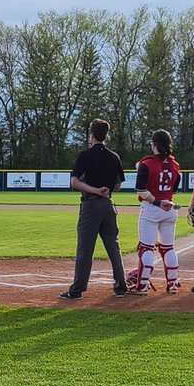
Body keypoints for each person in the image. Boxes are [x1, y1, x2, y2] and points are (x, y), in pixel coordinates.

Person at [61, 119, 129, 300]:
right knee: (113, 246)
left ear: (92, 134)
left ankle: (77, 290)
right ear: (106, 135)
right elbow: (118, 185)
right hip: (108, 205)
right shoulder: (114, 156)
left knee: (85, 248)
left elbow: (75, 182)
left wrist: (95, 190)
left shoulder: (85, 155)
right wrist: (104, 189)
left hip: (91, 205)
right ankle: (121, 286)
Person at [127, 130, 182, 295]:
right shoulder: (175, 165)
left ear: (155, 144)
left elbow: (141, 190)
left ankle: (142, 286)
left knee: (146, 248)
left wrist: (157, 202)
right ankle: (172, 284)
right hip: (170, 208)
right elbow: (174, 188)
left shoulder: (147, 163)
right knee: (168, 248)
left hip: (152, 208)